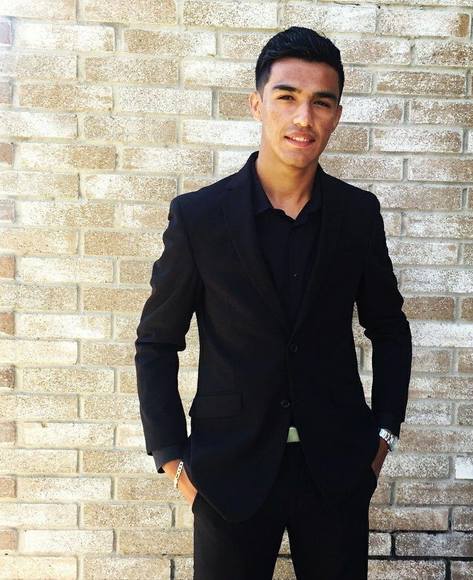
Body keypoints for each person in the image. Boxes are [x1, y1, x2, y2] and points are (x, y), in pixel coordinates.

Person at [135, 26, 412, 580]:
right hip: (227, 474)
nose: (303, 117)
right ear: (258, 103)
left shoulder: (357, 215)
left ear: (336, 115)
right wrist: (173, 461)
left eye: (321, 102)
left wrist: (383, 436)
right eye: (287, 97)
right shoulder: (199, 217)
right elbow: (157, 341)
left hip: (336, 470)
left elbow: (388, 327)